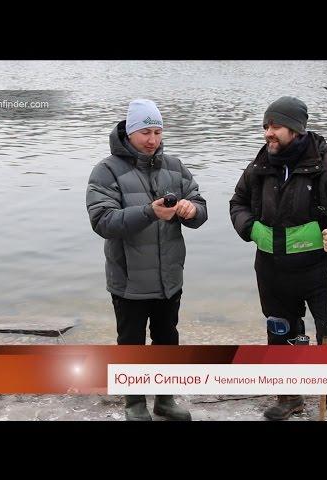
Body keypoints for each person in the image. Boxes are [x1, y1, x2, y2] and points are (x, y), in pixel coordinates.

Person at [229, 96, 327, 421]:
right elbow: (237, 203)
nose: (268, 132)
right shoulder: (259, 166)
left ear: (295, 129)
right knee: (282, 335)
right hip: (272, 272)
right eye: (266, 125)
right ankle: (290, 397)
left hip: (322, 271)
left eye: (275, 126)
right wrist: (249, 228)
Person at [86, 99, 207, 421]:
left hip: (169, 276)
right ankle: (134, 403)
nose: (152, 140)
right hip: (128, 280)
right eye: (144, 132)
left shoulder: (175, 166)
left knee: (167, 339)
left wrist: (191, 211)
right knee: (131, 343)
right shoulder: (107, 170)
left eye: (157, 131)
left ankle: (164, 400)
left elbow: (200, 207)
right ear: (129, 131)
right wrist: (148, 212)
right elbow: (102, 222)